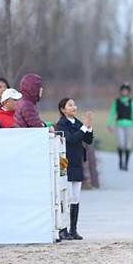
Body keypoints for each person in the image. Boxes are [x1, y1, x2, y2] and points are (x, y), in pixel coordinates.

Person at [56, 98, 94, 240]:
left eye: (74, 104)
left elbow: (88, 140)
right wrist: (84, 127)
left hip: (77, 162)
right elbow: (71, 139)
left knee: (75, 197)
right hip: (66, 163)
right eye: (70, 105)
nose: (74, 107)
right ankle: (63, 229)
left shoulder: (77, 123)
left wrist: (89, 127)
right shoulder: (61, 124)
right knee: (66, 197)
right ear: (63, 109)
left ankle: (73, 229)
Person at [106, 83, 133, 171]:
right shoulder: (116, 101)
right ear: (121, 91)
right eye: (123, 90)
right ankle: (121, 160)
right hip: (119, 125)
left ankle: (126, 164)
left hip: (129, 125)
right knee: (121, 144)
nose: (124, 92)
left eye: (126, 90)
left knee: (128, 145)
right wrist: (109, 124)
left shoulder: (131, 101)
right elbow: (112, 113)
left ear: (128, 91)